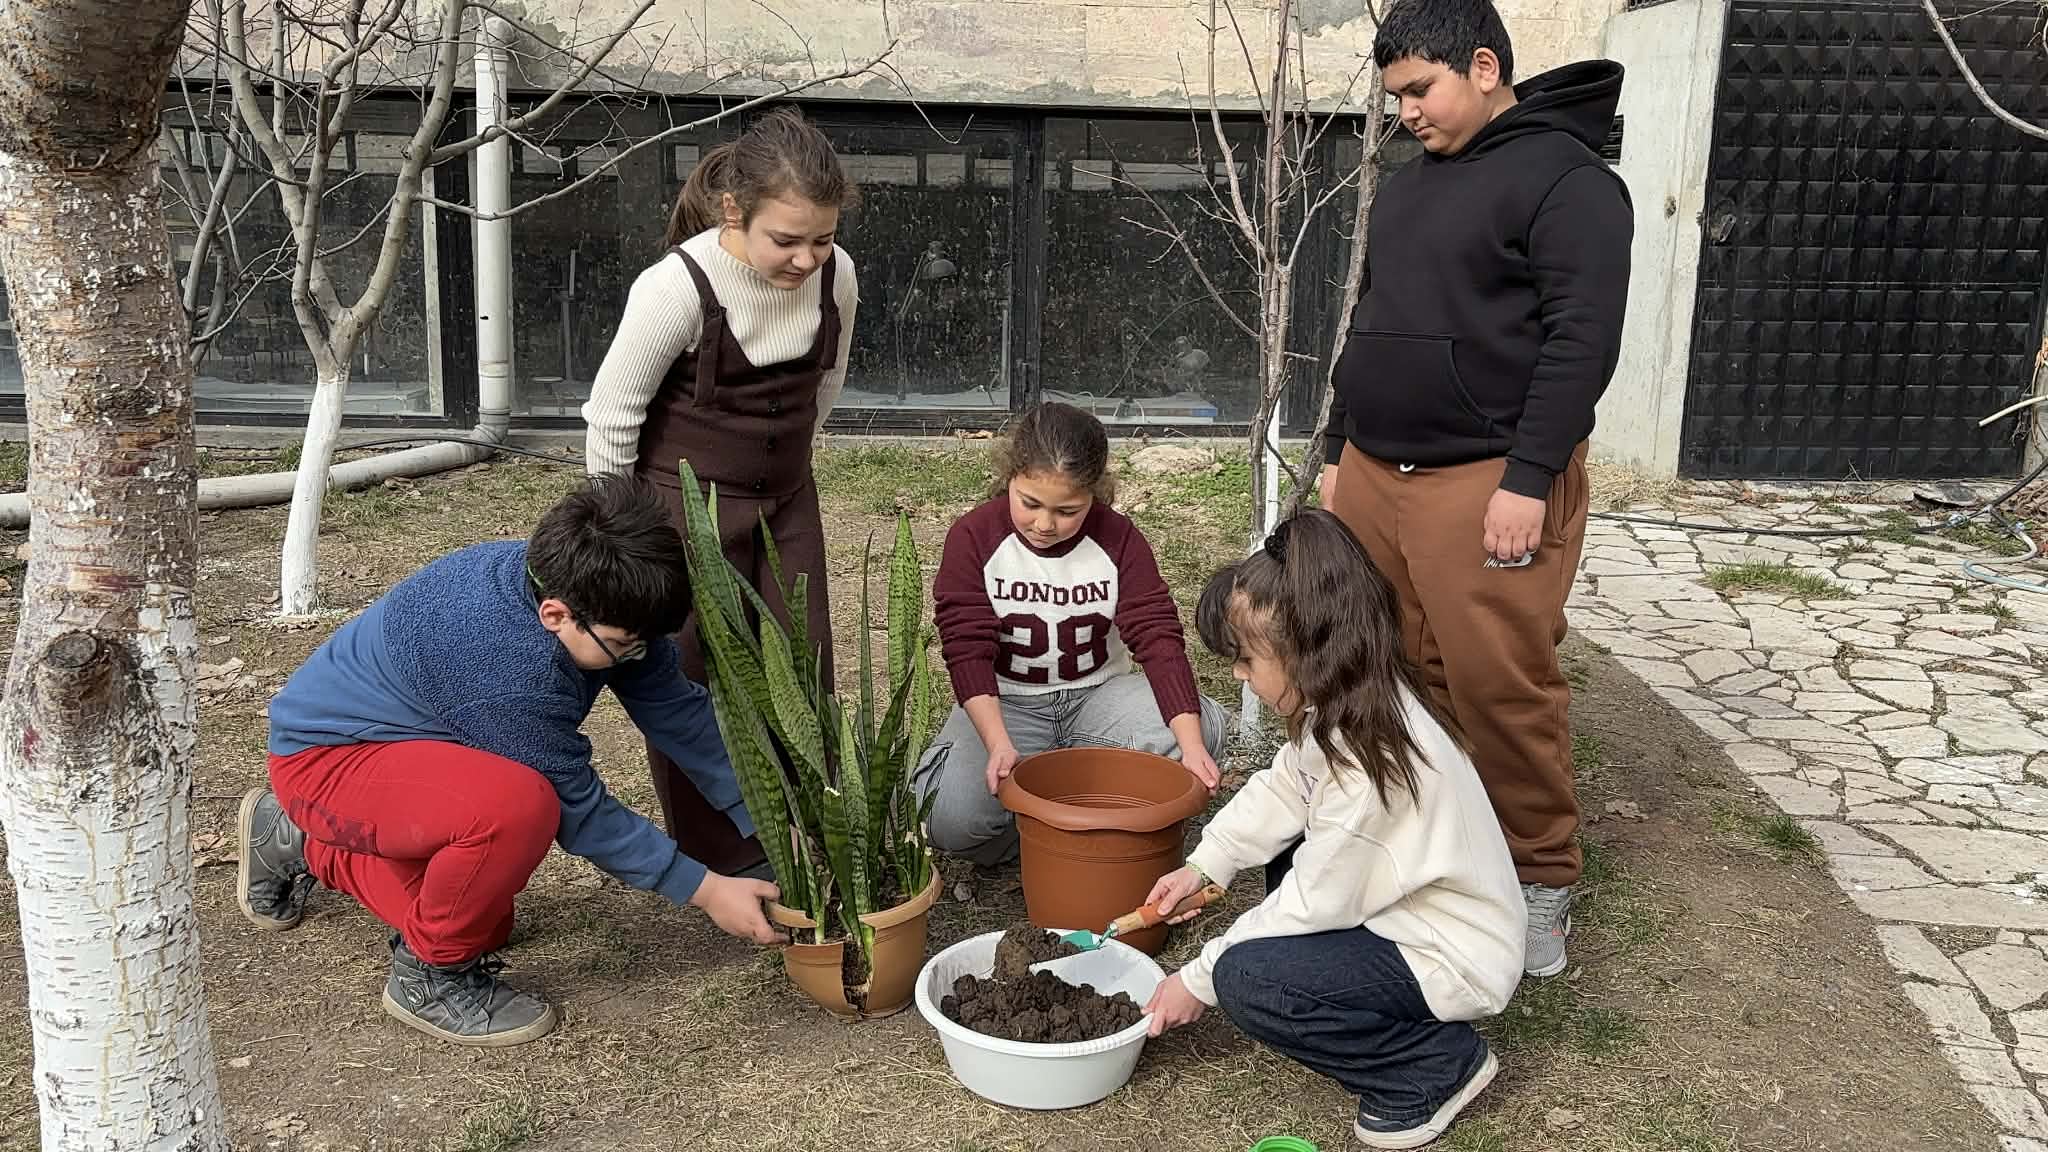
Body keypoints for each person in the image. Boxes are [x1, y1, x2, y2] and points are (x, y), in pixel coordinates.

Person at [239, 477, 785, 1048]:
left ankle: (293, 839)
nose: (637, 654)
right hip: (328, 763)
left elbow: (677, 713)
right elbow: (581, 810)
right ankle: (429, 978)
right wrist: (704, 889)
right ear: (555, 614)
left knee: (484, 922)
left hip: (420, 749)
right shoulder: (514, 669)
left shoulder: (583, 585)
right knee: (517, 810)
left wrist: (767, 820)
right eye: (625, 644)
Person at [1314, 0, 1633, 977]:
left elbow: (1582, 341)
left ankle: (1538, 876)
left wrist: (1528, 478)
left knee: (1497, 681)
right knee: (1392, 669)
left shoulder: (1570, 183)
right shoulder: (1409, 188)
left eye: (1420, 90)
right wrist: (1335, 446)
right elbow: (1368, 317)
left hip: (1486, 476)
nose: (1406, 112)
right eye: (1395, 97)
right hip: (1375, 470)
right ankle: (1436, 845)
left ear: (1484, 67)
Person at [1142, 510, 1524, 1150]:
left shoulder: (1370, 769)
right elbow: (1286, 785)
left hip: (1452, 952)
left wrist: (1197, 979)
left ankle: (1432, 1068)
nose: (1238, 675)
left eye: (1247, 660)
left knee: (1247, 979)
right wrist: (1207, 865)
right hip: (1404, 911)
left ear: (1307, 652)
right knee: (1285, 859)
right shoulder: (1352, 700)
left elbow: (1314, 899)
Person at [581, 106, 860, 878]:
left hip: (787, 502)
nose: (806, 258)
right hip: (680, 511)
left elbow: (826, 382)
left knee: (803, 663)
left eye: (822, 239)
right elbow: (612, 418)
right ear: (734, 211)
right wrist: (623, 541)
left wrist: (782, 463)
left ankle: (811, 836)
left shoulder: (838, 275)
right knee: (692, 676)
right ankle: (725, 862)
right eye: (786, 239)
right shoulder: (675, 287)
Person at [914, 402, 1227, 865]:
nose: (1044, 525)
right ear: (1010, 477)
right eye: (1030, 503)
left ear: (1094, 494)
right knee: (949, 817)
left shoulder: (1119, 538)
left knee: (1202, 729)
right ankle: (1057, 828)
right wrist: (998, 744)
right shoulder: (973, 537)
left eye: (1067, 511)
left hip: (1098, 699)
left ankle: (1072, 804)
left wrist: (1192, 744)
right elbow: (966, 647)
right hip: (1008, 705)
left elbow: (1157, 635)